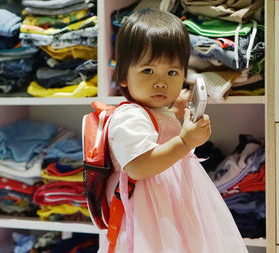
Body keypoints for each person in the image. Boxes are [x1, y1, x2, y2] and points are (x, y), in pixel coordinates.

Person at [98, 9, 248, 253]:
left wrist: (173, 113)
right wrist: (185, 142)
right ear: (123, 76)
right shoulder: (128, 116)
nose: (161, 82)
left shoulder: (150, 110)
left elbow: (157, 129)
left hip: (171, 206)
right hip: (149, 216)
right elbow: (138, 166)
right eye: (148, 71)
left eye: (172, 72)